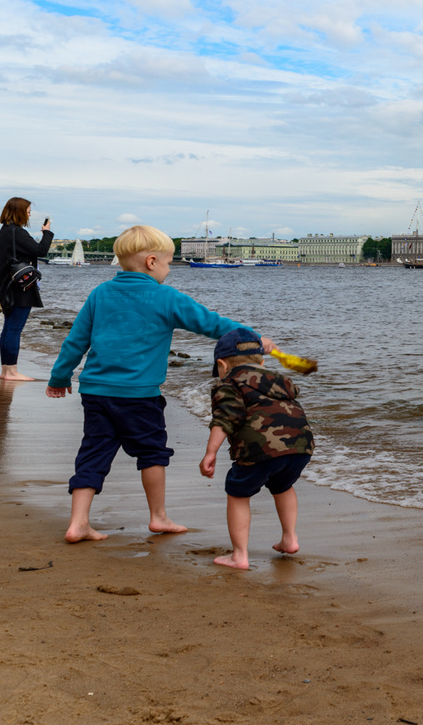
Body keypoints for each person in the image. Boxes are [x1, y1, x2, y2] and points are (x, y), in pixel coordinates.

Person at [45, 225, 272, 544]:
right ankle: (158, 516)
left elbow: (76, 341)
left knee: (93, 453)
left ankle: (78, 522)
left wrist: (59, 377)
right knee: (152, 453)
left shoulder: (100, 294)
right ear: (152, 262)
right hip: (139, 395)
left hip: (95, 392)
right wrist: (251, 337)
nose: (168, 269)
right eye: (167, 263)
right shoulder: (165, 297)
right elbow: (210, 323)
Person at [200, 328, 315, 570]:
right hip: (301, 446)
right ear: (262, 362)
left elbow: (225, 418)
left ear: (222, 364)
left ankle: (239, 555)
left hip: (261, 449)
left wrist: (210, 453)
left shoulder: (229, 382)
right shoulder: (280, 381)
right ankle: (290, 538)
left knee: (238, 492)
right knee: (283, 486)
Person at [0, 197, 53, 380]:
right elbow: (40, 251)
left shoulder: (1, 233)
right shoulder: (18, 233)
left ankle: (6, 370)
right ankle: (11, 372)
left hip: (5, 286)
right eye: (28, 211)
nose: (29, 214)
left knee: (8, 328)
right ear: (19, 212)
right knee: (14, 329)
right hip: (20, 287)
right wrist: (47, 233)